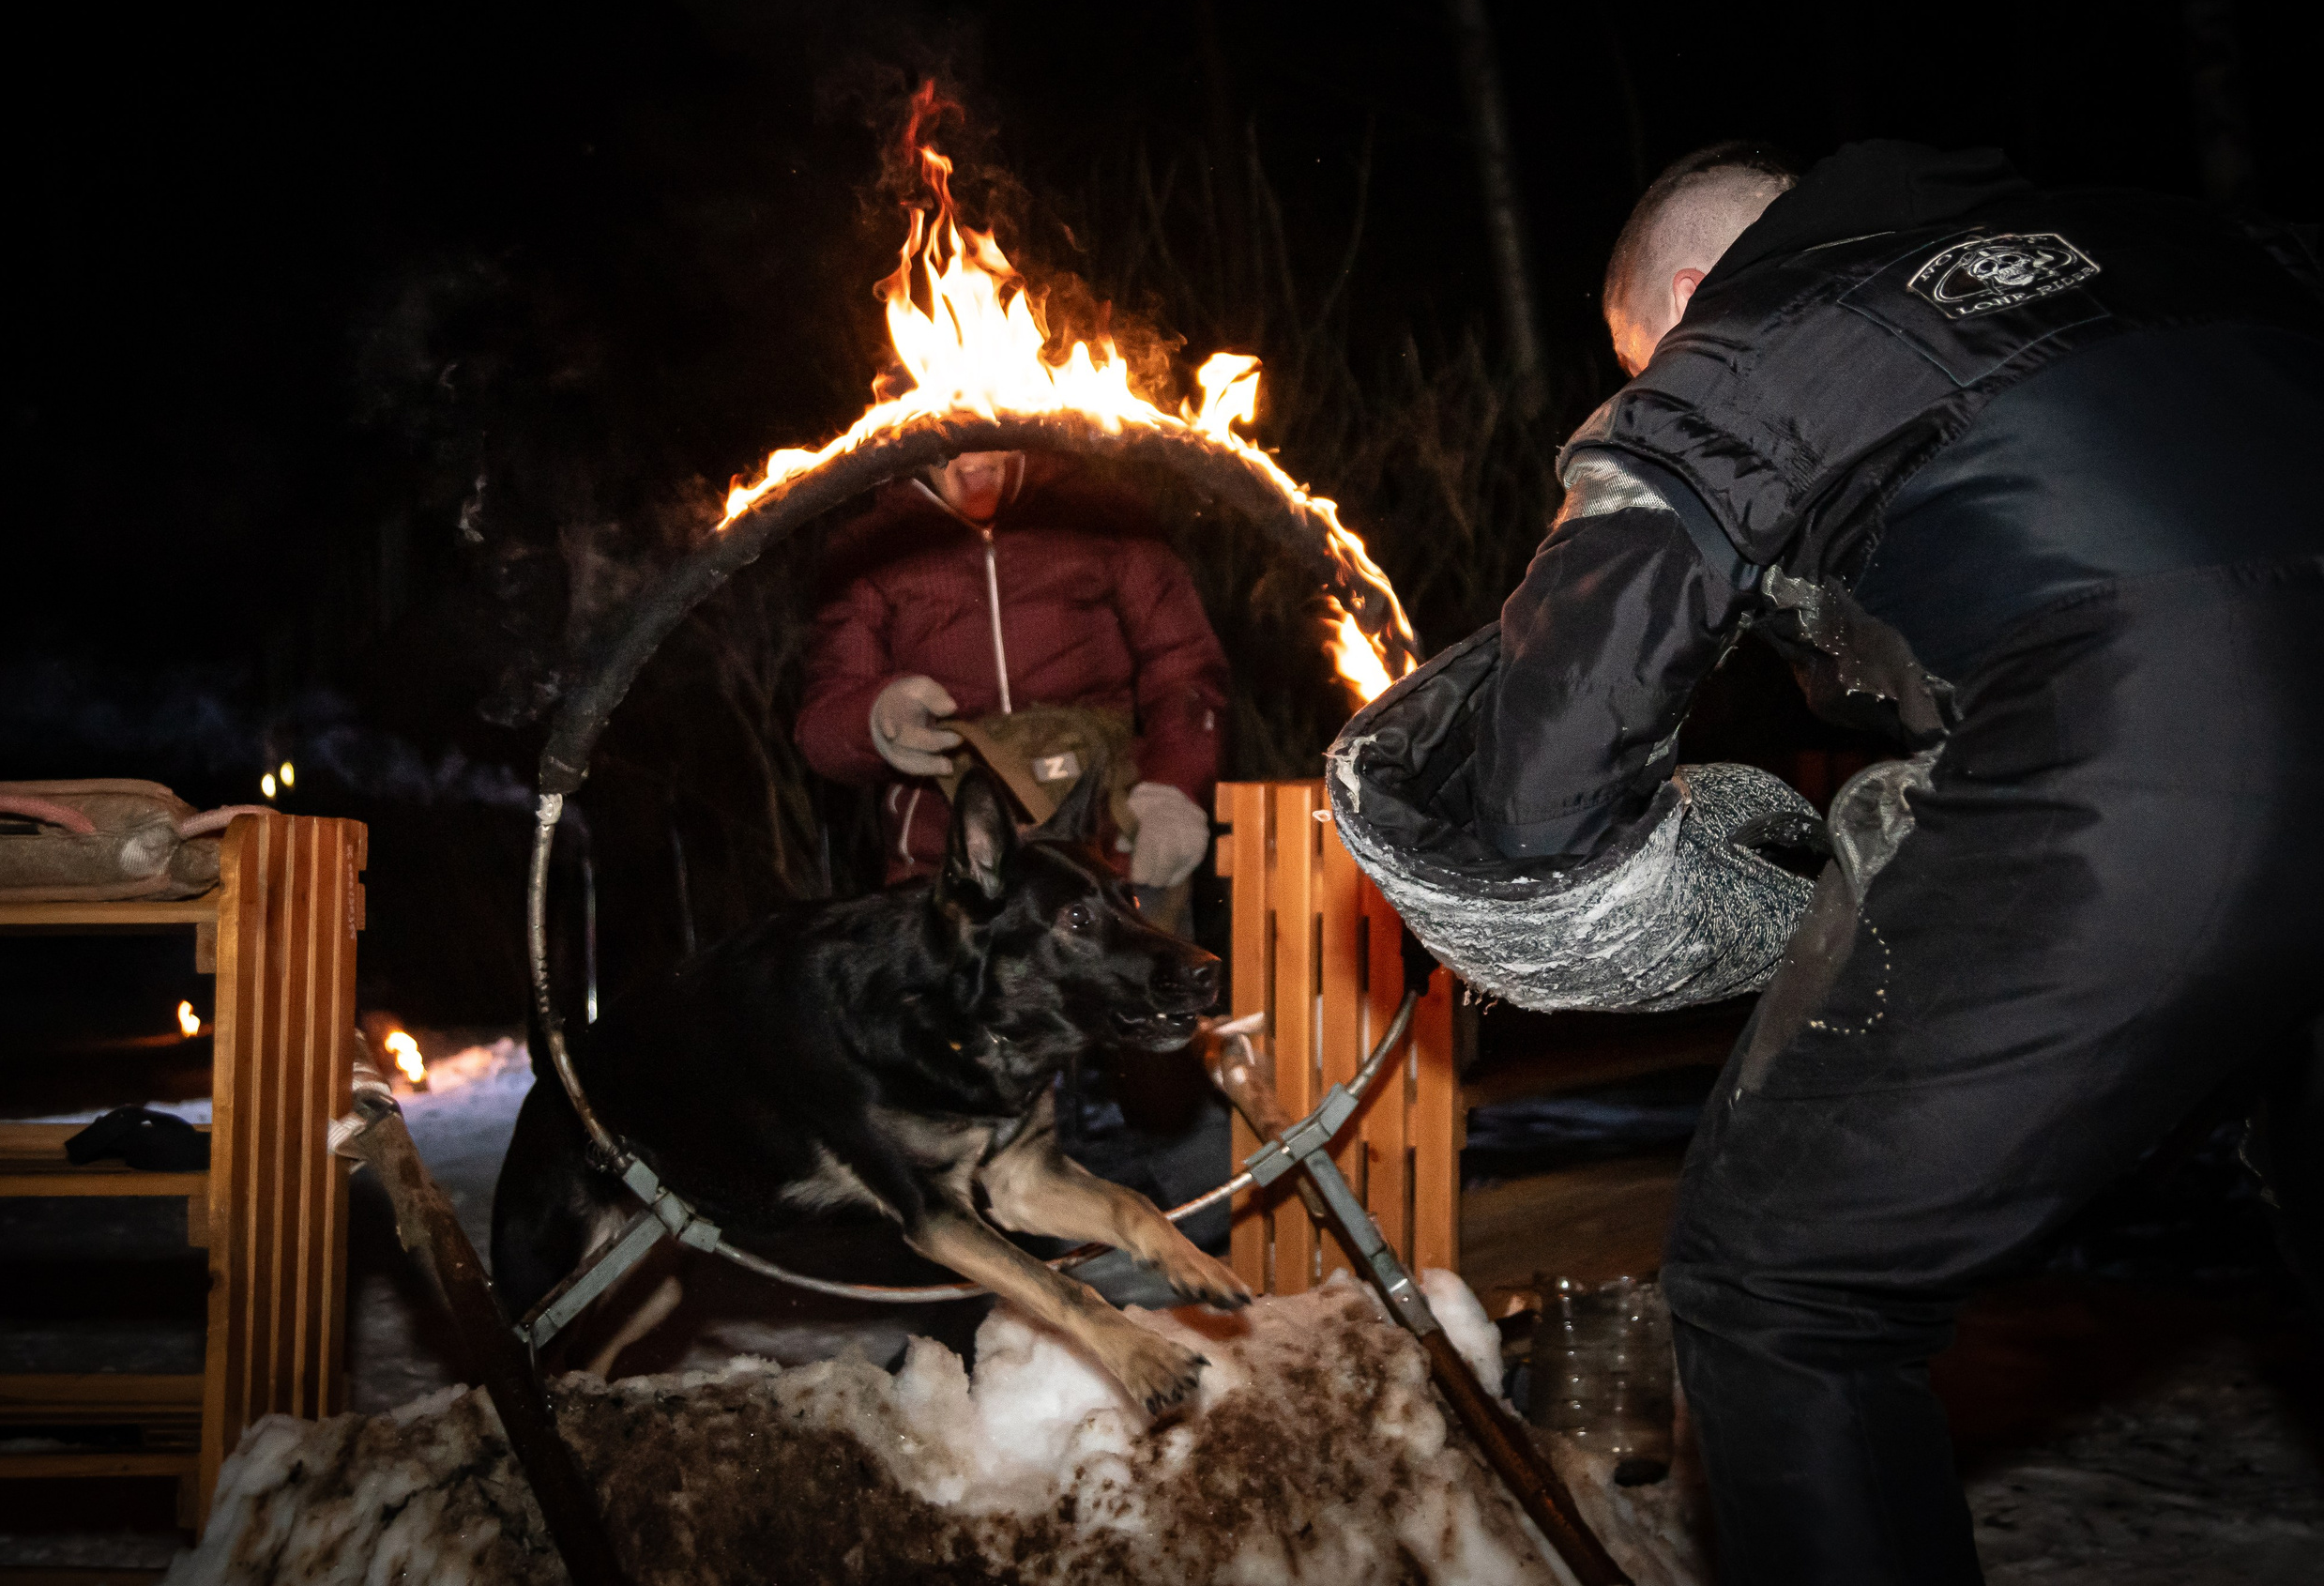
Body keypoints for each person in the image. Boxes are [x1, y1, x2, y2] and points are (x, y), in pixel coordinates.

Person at [1357, 140, 2321, 1582]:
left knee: (1779, 1292)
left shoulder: (1765, 326)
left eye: (1637, 356)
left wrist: (1513, 852)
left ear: (1685, 295)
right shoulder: (2175, 232)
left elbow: (1550, 771)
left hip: (2167, 737)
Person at [795, 450, 1228, 904]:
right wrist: (876, 719)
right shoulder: (872, 546)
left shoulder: (1102, 516)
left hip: (1107, 858)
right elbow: (823, 724)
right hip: (947, 873)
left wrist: (1173, 791)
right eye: (951, 433)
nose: (971, 451)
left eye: (986, 427)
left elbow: (1185, 669)